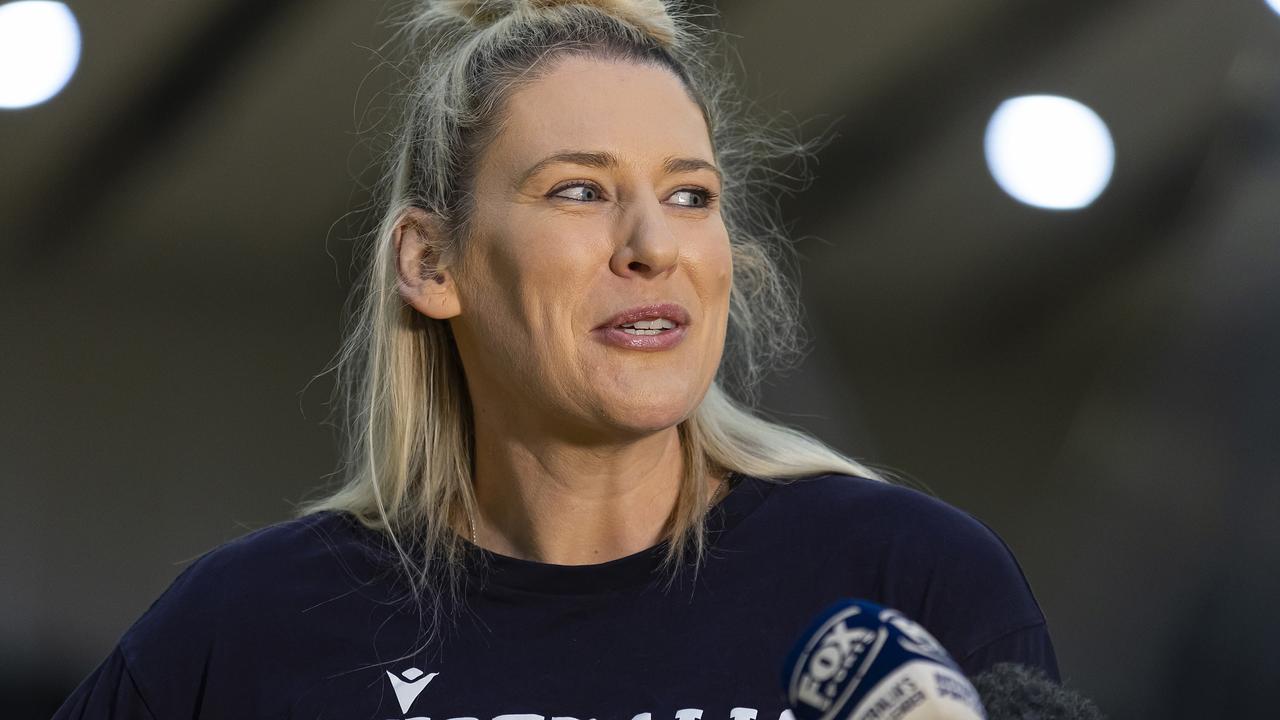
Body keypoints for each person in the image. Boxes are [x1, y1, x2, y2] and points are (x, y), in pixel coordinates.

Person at [52, 1, 1059, 718]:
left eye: (689, 196)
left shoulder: (906, 583)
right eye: (578, 191)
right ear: (431, 260)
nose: (650, 244)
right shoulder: (252, 629)